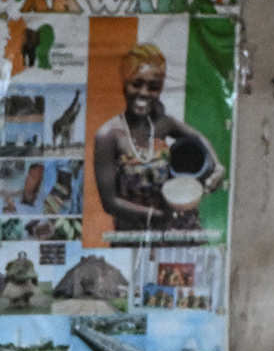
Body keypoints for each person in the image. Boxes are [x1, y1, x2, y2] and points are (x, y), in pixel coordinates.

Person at [89, 40, 219, 239]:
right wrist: (161, 217)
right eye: (136, 84)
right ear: (124, 83)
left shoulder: (162, 124)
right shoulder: (109, 135)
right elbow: (110, 202)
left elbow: (199, 138)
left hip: (179, 231)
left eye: (153, 87)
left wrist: (218, 167)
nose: (144, 92)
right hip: (134, 236)